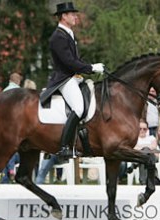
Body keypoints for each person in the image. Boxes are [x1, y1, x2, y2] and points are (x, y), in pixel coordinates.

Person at [46, 2, 105, 157]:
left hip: (74, 77)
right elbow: (69, 62)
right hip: (64, 79)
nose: (75, 17)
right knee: (78, 108)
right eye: (72, 14)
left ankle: (85, 141)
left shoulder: (68, 33)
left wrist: (90, 69)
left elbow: (75, 60)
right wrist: (91, 68)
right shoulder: (57, 36)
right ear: (64, 16)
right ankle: (64, 146)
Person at [0, 72, 23, 183]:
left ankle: (5, 178)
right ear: (18, 81)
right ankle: (12, 171)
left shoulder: (5, 91)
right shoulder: (19, 91)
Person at [127, 120, 159, 185]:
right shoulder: (134, 139)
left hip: (152, 157)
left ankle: (134, 165)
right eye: (140, 129)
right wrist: (147, 147)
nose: (142, 130)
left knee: (145, 151)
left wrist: (142, 148)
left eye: (144, 129)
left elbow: (153, 147)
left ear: (147, 130)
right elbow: (133, 149)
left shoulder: (151, 138)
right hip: (140, 157)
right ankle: (143, 181)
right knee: (144, 157)